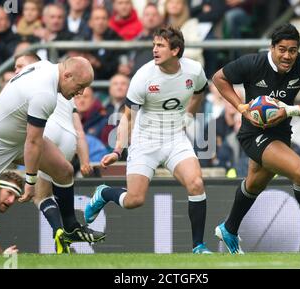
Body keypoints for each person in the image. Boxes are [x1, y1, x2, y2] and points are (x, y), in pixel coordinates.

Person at [212, 23, 300, 254]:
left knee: (254, 183)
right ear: (272, 48)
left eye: (292, 50)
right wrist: (241, 107)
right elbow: (219, 78)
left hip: (282, 132)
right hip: (253, 133)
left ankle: (229, 227)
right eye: (282, 49)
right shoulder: (253, 63)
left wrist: (290, 110)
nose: (287, 55)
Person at [0, 57, 97, 253]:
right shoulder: (44, 94)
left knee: (64, 170)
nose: (80, 93)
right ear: (67, 75)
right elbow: (33, 142)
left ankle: (71, 227)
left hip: (16, 137)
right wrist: (30, 182)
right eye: (80, 86)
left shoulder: (45, 66)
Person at [84, 26, 212, 254]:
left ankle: (198, 247)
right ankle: (104, 193)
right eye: (154, 45)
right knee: (134, 200)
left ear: (176, 50)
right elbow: (127, 119)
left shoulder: (194, 70)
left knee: (196, 184)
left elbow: (200, 91)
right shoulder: (143, 76)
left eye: (160, 45)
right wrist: (117, 150)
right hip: (145, 141)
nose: (154, 50)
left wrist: (189, 116)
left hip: (175, 138)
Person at [13, 52, 104, 254]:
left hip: (47, 134)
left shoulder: (29, 82)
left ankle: (60, 231)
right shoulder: (65, 87)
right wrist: (85, 158)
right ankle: (68, 232)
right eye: (15, 66)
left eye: (21, 65)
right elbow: (79, 129)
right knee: (61, 180)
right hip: (68, 138)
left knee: (41, 196)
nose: (17, 70)